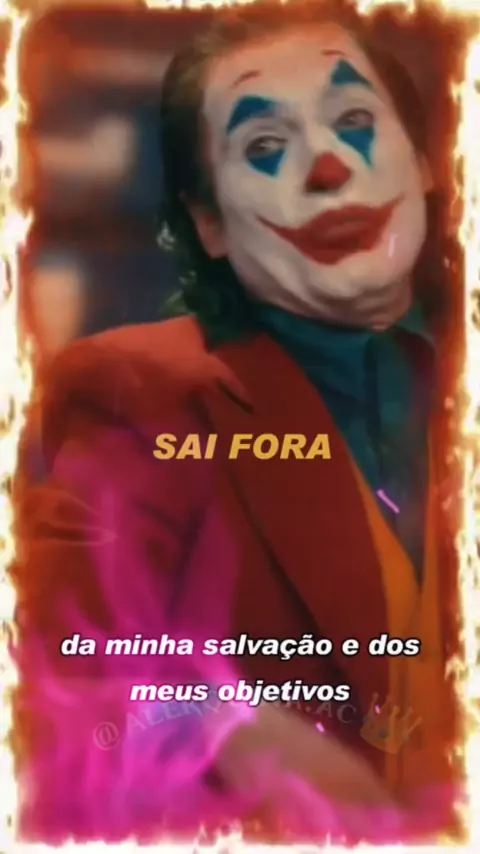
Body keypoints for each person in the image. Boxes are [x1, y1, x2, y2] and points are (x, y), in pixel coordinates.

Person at [14, 1, 462, 845]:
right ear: (209, 224)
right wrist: (218, 729)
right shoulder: (143, 393)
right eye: (264, 147)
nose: (327, 168)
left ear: (430, 162)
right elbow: (53, 686)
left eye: (354, 123)